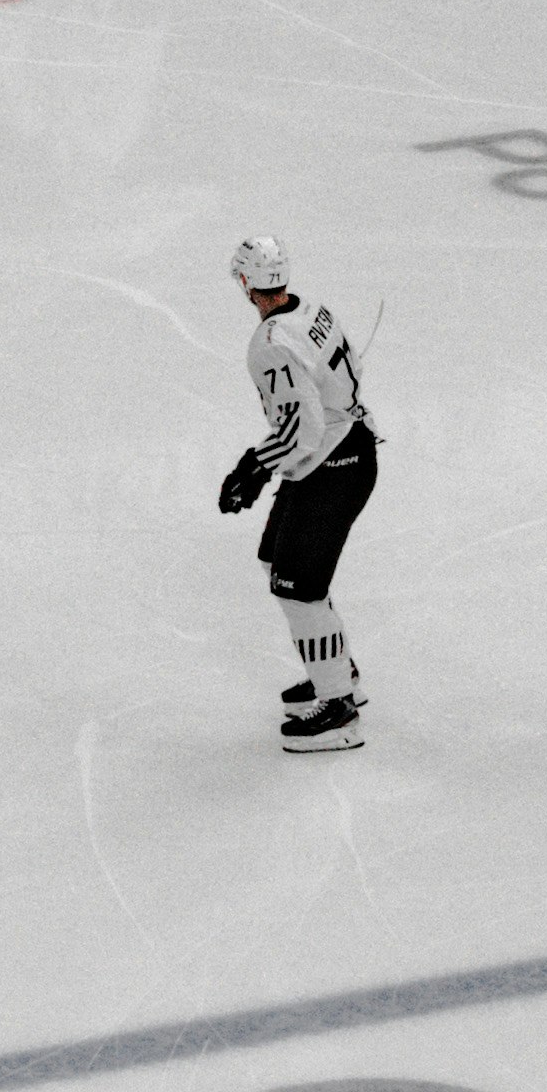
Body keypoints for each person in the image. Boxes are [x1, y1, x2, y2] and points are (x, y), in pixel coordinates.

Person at [218, 235, 377, 752]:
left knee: (297, 587)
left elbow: (302, 428)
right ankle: (335, 669)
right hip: (339, 452)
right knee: (275, 562)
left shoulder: (270, 344)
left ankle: (338, 710)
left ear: (245, 283)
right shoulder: (311, 310)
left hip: (333, 463)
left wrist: (255, 466)